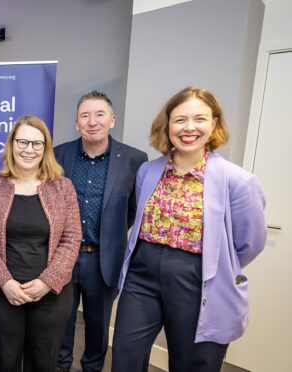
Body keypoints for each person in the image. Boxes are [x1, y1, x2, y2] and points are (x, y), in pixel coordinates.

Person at [111, 87, 267, 372]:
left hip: (198, 277)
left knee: (191, 363)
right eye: (180, 119)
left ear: (214, 124)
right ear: (167, 124)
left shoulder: (238, 181)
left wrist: (208, 264)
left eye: (200, 119)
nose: (189, 128)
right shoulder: (149, 171)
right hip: (142, 272)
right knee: (125, 356)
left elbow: (251, 242)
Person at [0, 115, 81, 372]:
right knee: (3, 361)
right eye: (22, 142)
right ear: (11, 144)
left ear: (45, 149)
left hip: (50, 295)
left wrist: (47, 281)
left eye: (37, 144)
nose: (29, 150)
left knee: (43, 363)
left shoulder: (63, 187)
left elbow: (71, 237)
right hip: (0, 294)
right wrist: (4, 282)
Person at [54, 91, 147, 372]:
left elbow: (133, 210)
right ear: (76, 123)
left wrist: (109, 237)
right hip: (62, 257)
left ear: (112, 120)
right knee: (60, 324)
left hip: (103, 261)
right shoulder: (59, 154)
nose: (92, 121)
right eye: (85, 115)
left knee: (97, 329)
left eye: (99, 114)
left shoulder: (134, 159)